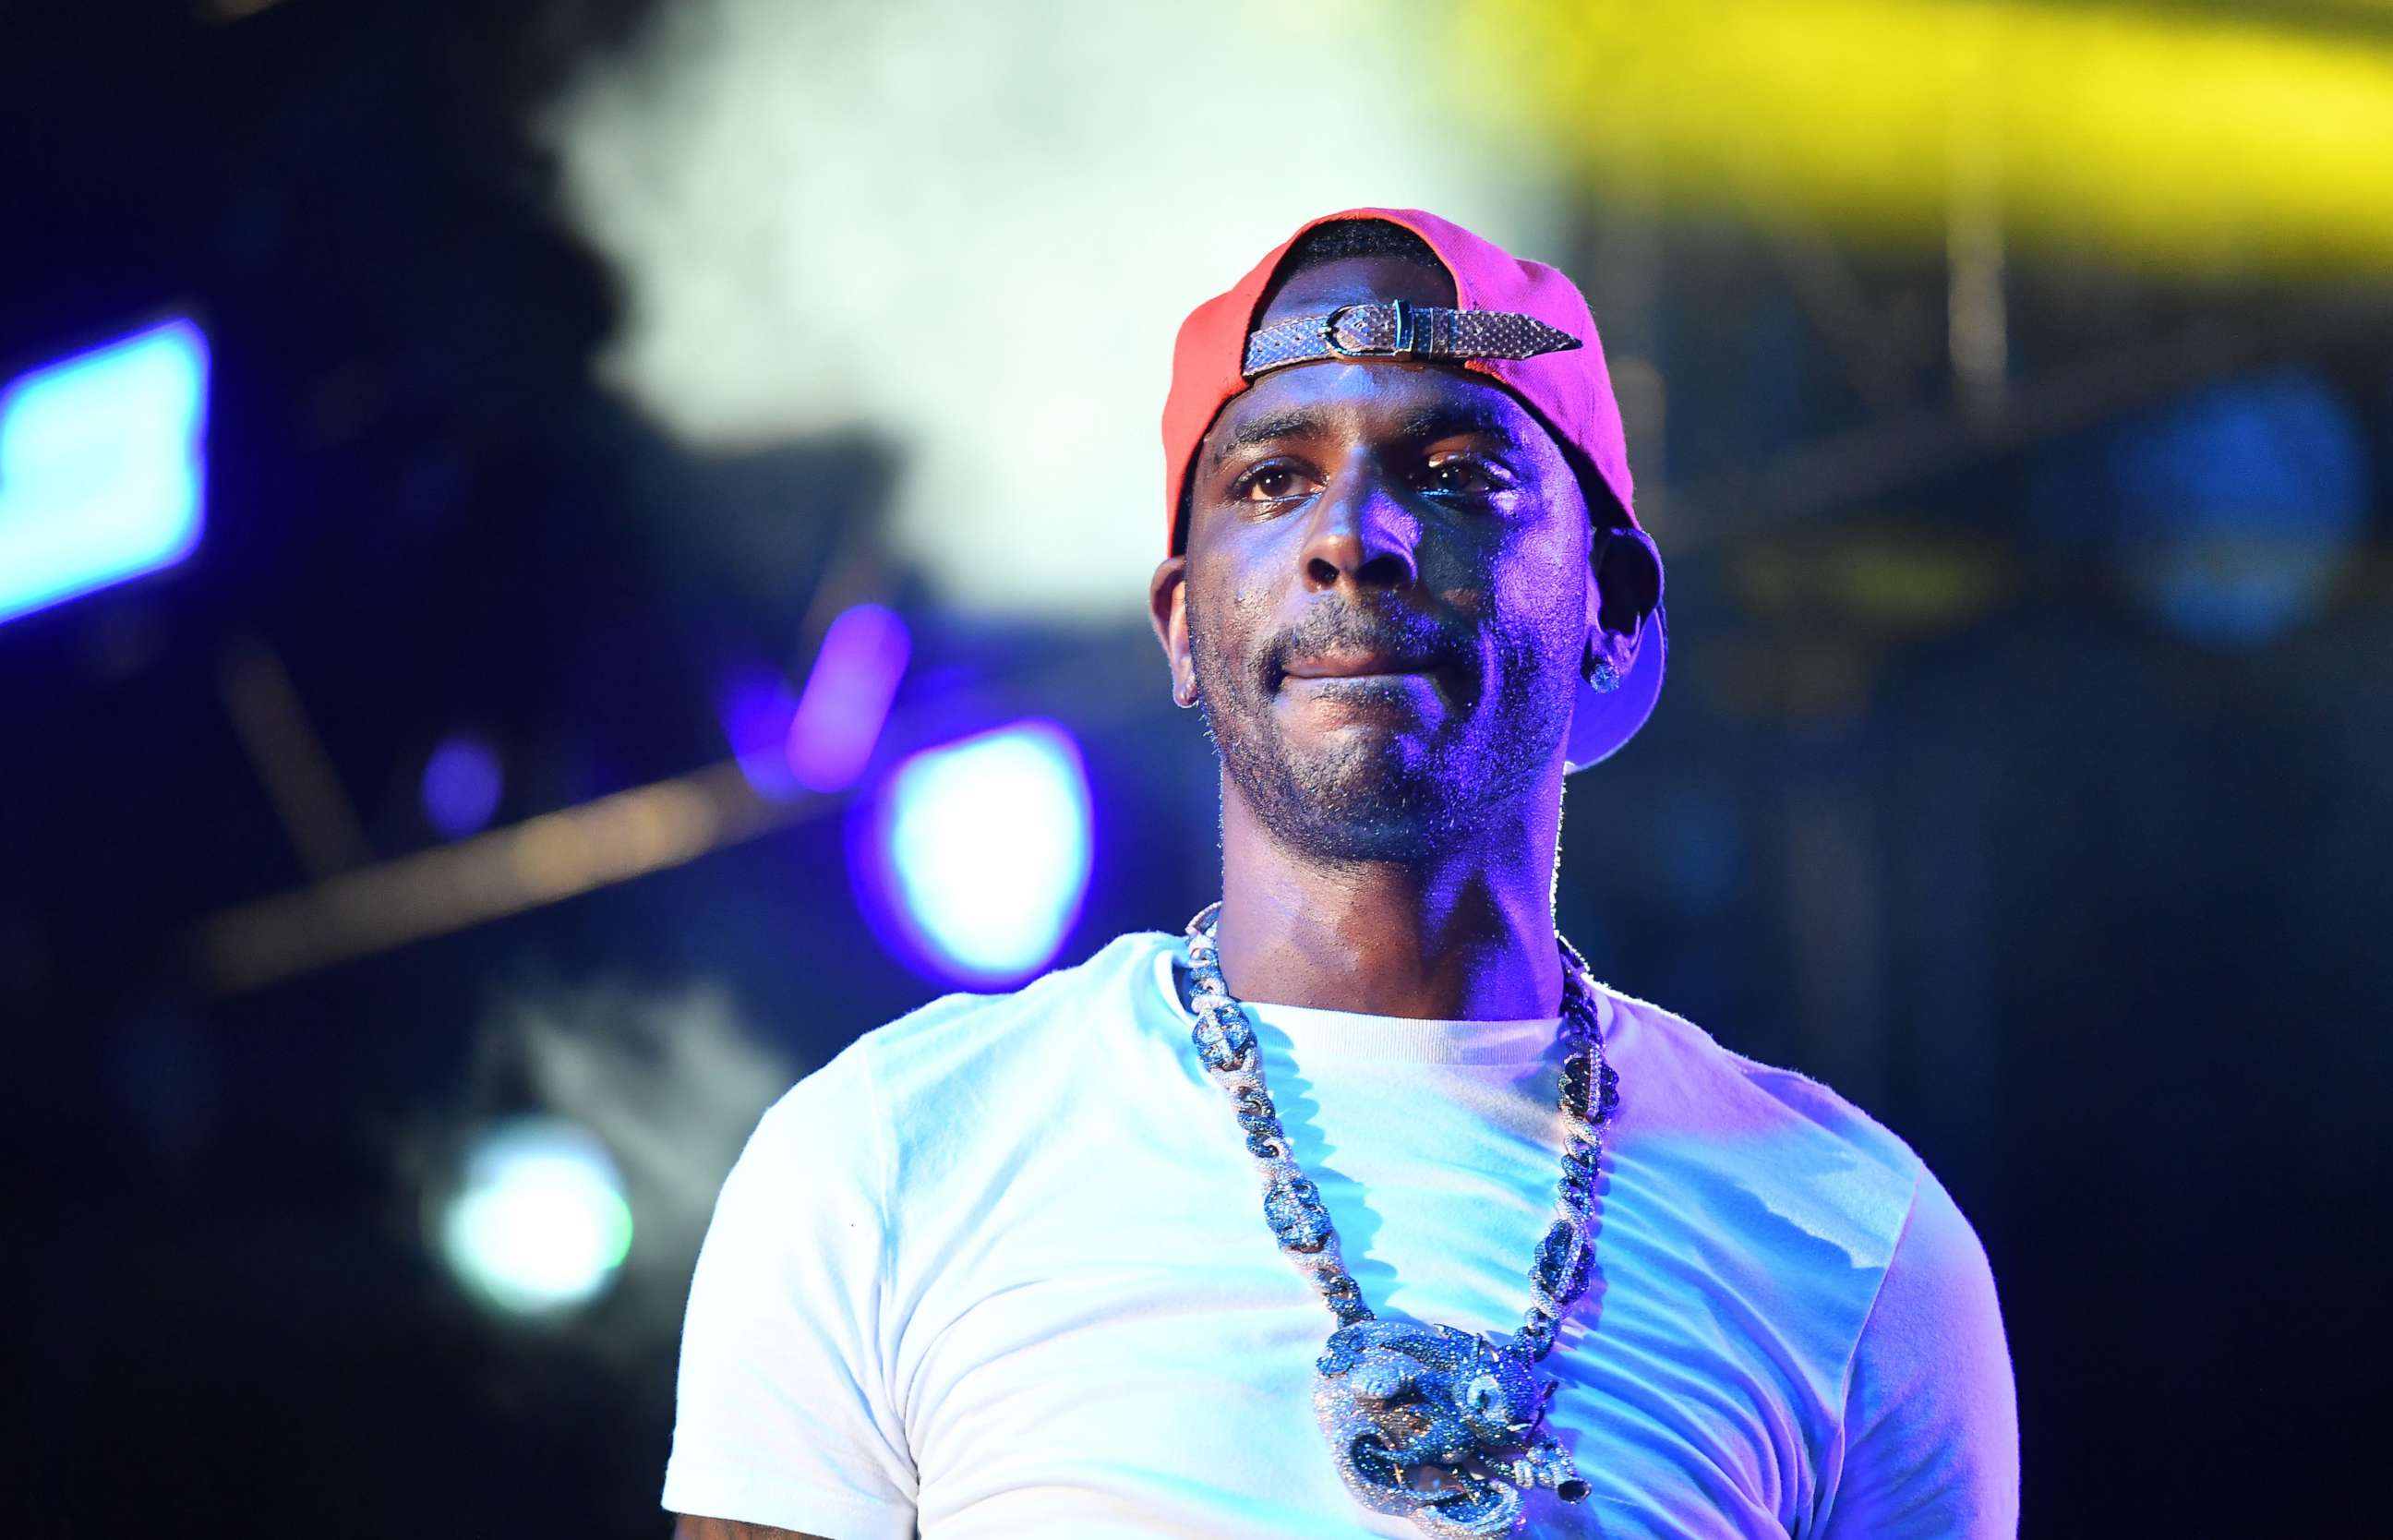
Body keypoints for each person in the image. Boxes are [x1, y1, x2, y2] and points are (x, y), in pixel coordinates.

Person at [662, 209, 2018, 1539]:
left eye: (1457, 472)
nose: (1352, 535)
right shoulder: (891, 1158)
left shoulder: (1861, 1251)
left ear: (1609, 605)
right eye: (1271, 479)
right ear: (1183, 624)